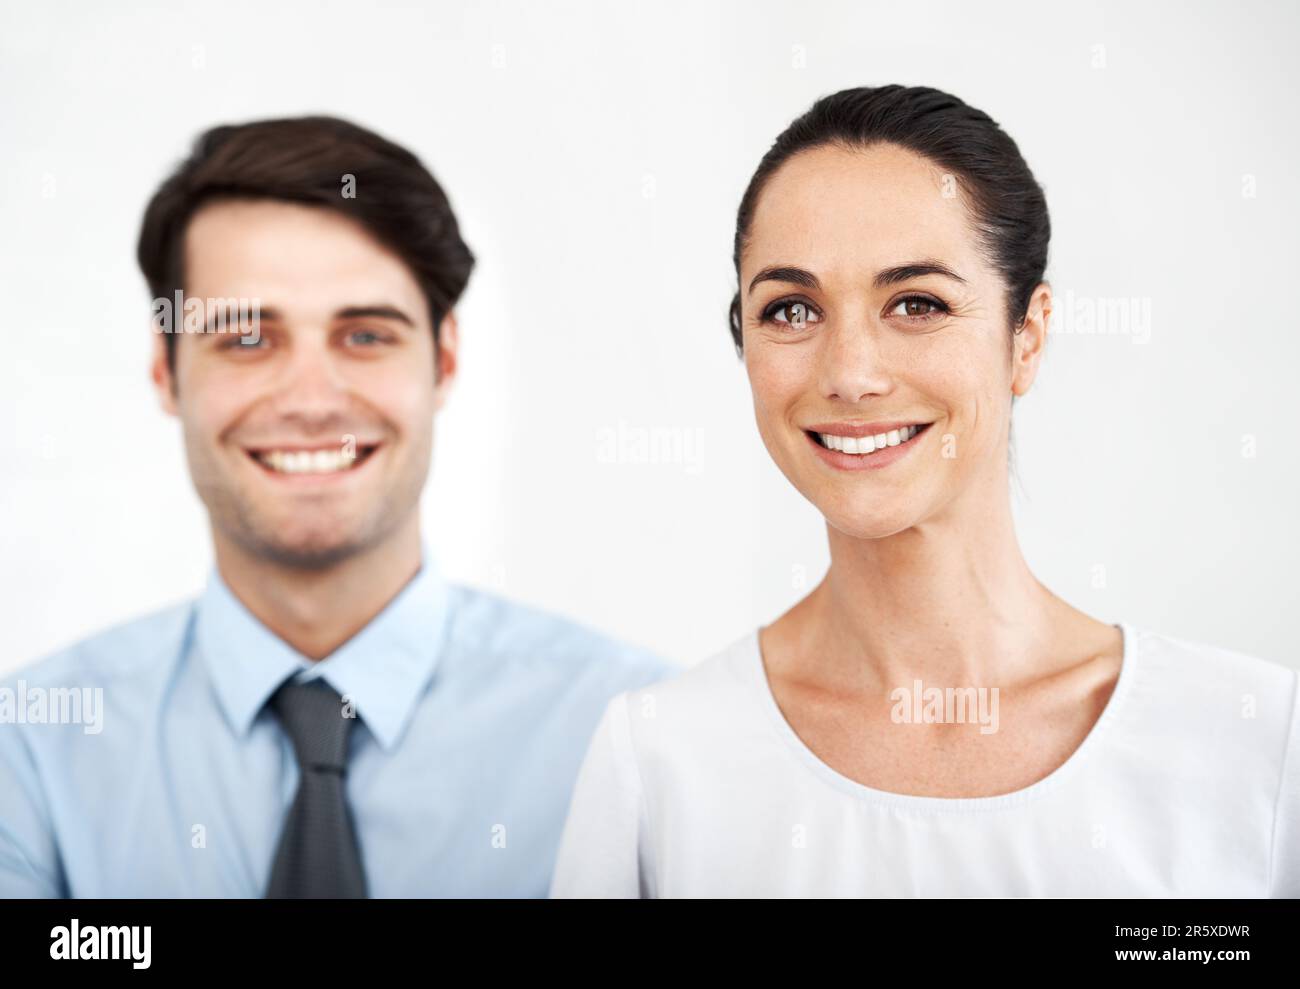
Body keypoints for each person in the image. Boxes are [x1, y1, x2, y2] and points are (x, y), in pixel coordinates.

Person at [551, 85, 1300, 897]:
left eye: (917, 303)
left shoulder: (1258, 744)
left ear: (1028, 337)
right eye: (792, 309)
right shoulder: (661, 764)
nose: (850, 374)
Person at [0, 116, 672, 898]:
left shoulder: (639, 741)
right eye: (246, 338)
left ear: (444, 359)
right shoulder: (30, 750)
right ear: (165, 369)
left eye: (364, 335)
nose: (312, 401)